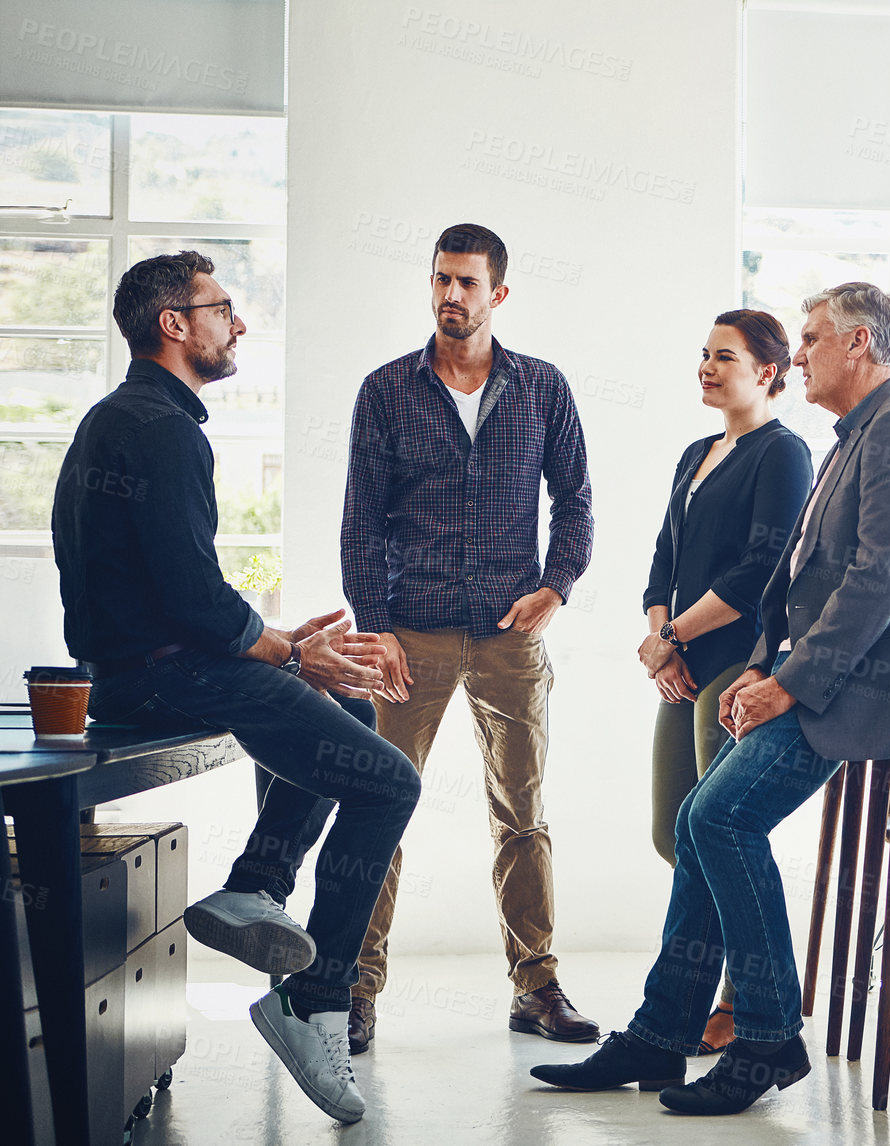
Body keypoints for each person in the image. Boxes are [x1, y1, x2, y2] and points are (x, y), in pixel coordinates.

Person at [531, 282, 890, 1116]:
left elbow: (877, 582)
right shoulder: (856, 438)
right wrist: (764, 667)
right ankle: (663, 1034)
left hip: (866, 688)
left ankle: (768, 1037)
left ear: (860, 344)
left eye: (810, 339)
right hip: (815, 675)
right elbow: (803, 575)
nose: (797, 354)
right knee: (702, 822)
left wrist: (787, 683)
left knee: (715, 820)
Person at [51, 250, 420, 1125]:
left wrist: (290, 649)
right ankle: (315, 998)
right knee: (390, 782)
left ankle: (256, 884)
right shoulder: (161, 428)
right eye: (222, 309)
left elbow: (175, 592)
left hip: (144, 668)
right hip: (161, 676)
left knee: (352, 705)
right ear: (173, 324)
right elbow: (192, 599)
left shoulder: (130, 418)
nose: (238, 324)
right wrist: (291, 656)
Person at [340, 223, 596, 1055]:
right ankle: (353, 987)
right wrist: (373, 627)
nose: (451, 296)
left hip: (506, 635)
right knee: (380, 810)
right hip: (406, 634)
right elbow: (360, 522)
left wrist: (557, 584)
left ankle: (536, 986)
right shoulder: (385, 391)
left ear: (499, 294)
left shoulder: (543, 389)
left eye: (468, 283)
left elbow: (577, 500)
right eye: (441, 280)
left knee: (521, 814)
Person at [640, 309, 813, 1053]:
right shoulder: (696, 453)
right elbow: (663, 562)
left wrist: (675, 634)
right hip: (681, 665)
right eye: (704, 355)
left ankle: (744, 1001)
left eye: (726, 357)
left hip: (740, 665)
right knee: (672, 834)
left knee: (721, 832)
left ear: (768, 372)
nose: (708, 368)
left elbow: (761, 570)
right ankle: (712, 990)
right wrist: (659, 637)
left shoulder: (784, 453)